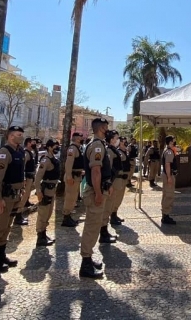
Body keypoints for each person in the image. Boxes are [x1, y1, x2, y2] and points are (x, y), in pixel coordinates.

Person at [0, 126, 26, 272]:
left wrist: (21, 190)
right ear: (10, 136)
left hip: (15, 194)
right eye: (18, 135)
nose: (21, 137)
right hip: (5, 196)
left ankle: (2, 255)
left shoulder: (20, 151)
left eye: (21, 134)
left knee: (8, 226)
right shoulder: (4, 152)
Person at [78, 118, 111, 279]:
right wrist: (98, 193)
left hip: (98, 190)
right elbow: (96, 171)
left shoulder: (98, 144)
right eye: (106, 128)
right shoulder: (97, 146)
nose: (108, 130)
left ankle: (88, 258)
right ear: (101, 129)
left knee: (94, 225)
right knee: (91, 227)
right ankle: (85, 263)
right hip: (94, 191)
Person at [34, 139, 60, 247]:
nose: (57, 148)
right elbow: (38, 177)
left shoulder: (54, 159)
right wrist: (38, 191)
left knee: (48, 213)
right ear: (49, 147)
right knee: (43, 213)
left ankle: (44, 233)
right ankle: (40, 237)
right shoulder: (46, 160)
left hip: (52, 189)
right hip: (46, 189)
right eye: (55, 146)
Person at [100, 130, 124, 244]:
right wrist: (109, 183)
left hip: (114, 181)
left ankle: (105, 231)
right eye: (116, 138)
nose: (117, 139)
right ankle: (103, 233)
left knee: (110, 205)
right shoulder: (109, 150)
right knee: (107, 206)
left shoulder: (112, 149)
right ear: (111, 138)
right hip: (111, 182)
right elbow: (108, 168)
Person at [61, 132, 85, 228]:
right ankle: (66, 217)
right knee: (70, 197)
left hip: (76, 176)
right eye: (81, 137)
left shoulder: (77, 148)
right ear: (77, 138)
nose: (82, 139)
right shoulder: (72, 148)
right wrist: (69, 177)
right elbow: (68, 163)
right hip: (72, 177)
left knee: (73, 198)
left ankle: (69, 215)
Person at [13, 137, 39, 226]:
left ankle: (19, 214)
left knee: (26, 196)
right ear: (28, 143)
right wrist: (23, 179)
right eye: (33, 142)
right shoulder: (26, 153)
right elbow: (22, 167)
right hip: (27, 178)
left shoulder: (31, 153)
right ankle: (18, 216)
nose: (35, 144)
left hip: (30, 178)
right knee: (23, 197)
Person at [108, 137, 132, 226]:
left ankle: (115, 213)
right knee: (115, 198)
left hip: (123, 178)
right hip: (118, 178)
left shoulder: (124, 151)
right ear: (120, 142)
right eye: (124, 141)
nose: (126, 143)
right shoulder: (118, 152)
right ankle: (112, 216)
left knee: (119, 198)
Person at [161, 136, 178, 225]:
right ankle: (165, 215)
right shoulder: (169, 152)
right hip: (168, 175)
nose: (174, 143)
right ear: (170, 142)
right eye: (173, 141)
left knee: (166, 194)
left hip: (167, 175)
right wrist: (169, 177)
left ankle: (165, 214)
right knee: (169, 195)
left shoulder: (167, 150)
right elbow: (167, 165)